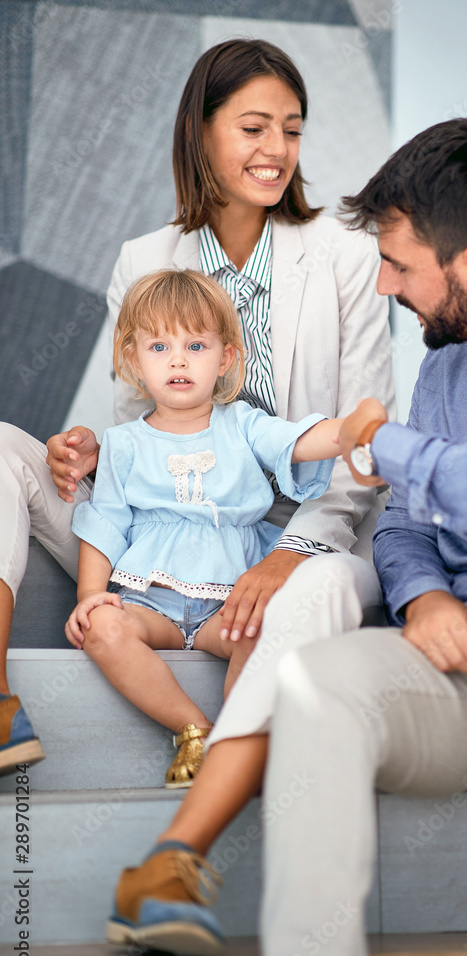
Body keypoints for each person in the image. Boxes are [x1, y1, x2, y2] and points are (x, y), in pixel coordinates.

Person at [108, 117, 467, 956]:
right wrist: (421, 598)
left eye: (399, 265)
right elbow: (403, 525)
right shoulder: (445, 367)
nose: (381, 285)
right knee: (313, 683)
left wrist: (393, 445)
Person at [0, 38, 394, 775]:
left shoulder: (343, 250)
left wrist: (284, 558)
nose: (277, 149)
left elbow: (359, 448)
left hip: (305, 533)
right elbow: (137, 430)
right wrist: (85, 451)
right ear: (200, 131)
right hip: (158, 545)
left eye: (292, 127)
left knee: (298, 596)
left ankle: (225, 765)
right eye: (253, 128)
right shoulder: (145, 258)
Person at [65, 268, 346, 789]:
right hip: (152, 603)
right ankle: (195, 729)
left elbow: (297, 443)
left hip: (228, 603)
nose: (177, 359)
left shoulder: (242, 423)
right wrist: (89, 596)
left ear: (226, 358)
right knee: (103, 631)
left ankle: (239, 740)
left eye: (195, 344)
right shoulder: (123, 443)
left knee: (266, 631)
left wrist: (350, 431)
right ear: (133, 359)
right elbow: (104, 522)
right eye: (158, 346)